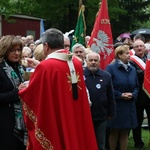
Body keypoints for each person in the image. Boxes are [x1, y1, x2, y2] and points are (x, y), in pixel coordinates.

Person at [19, 28, 98, 150]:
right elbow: (60, 81)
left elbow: (34, 94)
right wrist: (39, 66)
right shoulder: (76, 62)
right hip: (74, 113)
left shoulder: (46, 66)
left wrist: (22, 90)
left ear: (46, 46)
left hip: (57, 116)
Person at [106, 45, 139, 150]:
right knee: (115, 130)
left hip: (129, 105)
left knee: (125, 131)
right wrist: (120, 95)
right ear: (119, 55)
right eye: (127, 53)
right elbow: (108, 87)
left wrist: (133, 94)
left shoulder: (133, 69)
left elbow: (137, 86)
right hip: (117, 105)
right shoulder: (111, 68)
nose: (129, 55)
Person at [84, 52, 116, 150]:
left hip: (101, 116)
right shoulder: (80, 75)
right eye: (90, 60)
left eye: (95, 60)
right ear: (86, 61)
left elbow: (110, 95)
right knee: (86, 142)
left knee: (100, 143)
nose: (93, 62)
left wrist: (111, 113)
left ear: (99, 62)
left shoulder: (106, 76)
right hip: (85, 116)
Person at [0, 35, 27, 150]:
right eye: (13, 50)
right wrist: (17, 92)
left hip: (21, 121)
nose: (17, 53)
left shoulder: (21, 68)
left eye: (19, 50)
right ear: (5, 50)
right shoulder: (1, 69)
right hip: (4, 123)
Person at [130, 39, 150, 150]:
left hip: (149, 94)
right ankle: (138, 143)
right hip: (138, 95)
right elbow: (135, 73)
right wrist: (148, 70)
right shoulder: (131, 60)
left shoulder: (148, 58)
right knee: (138, 121)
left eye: (141, 46)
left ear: (144, 47)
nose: (139, 48)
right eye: (137, 46)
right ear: (133, 48)